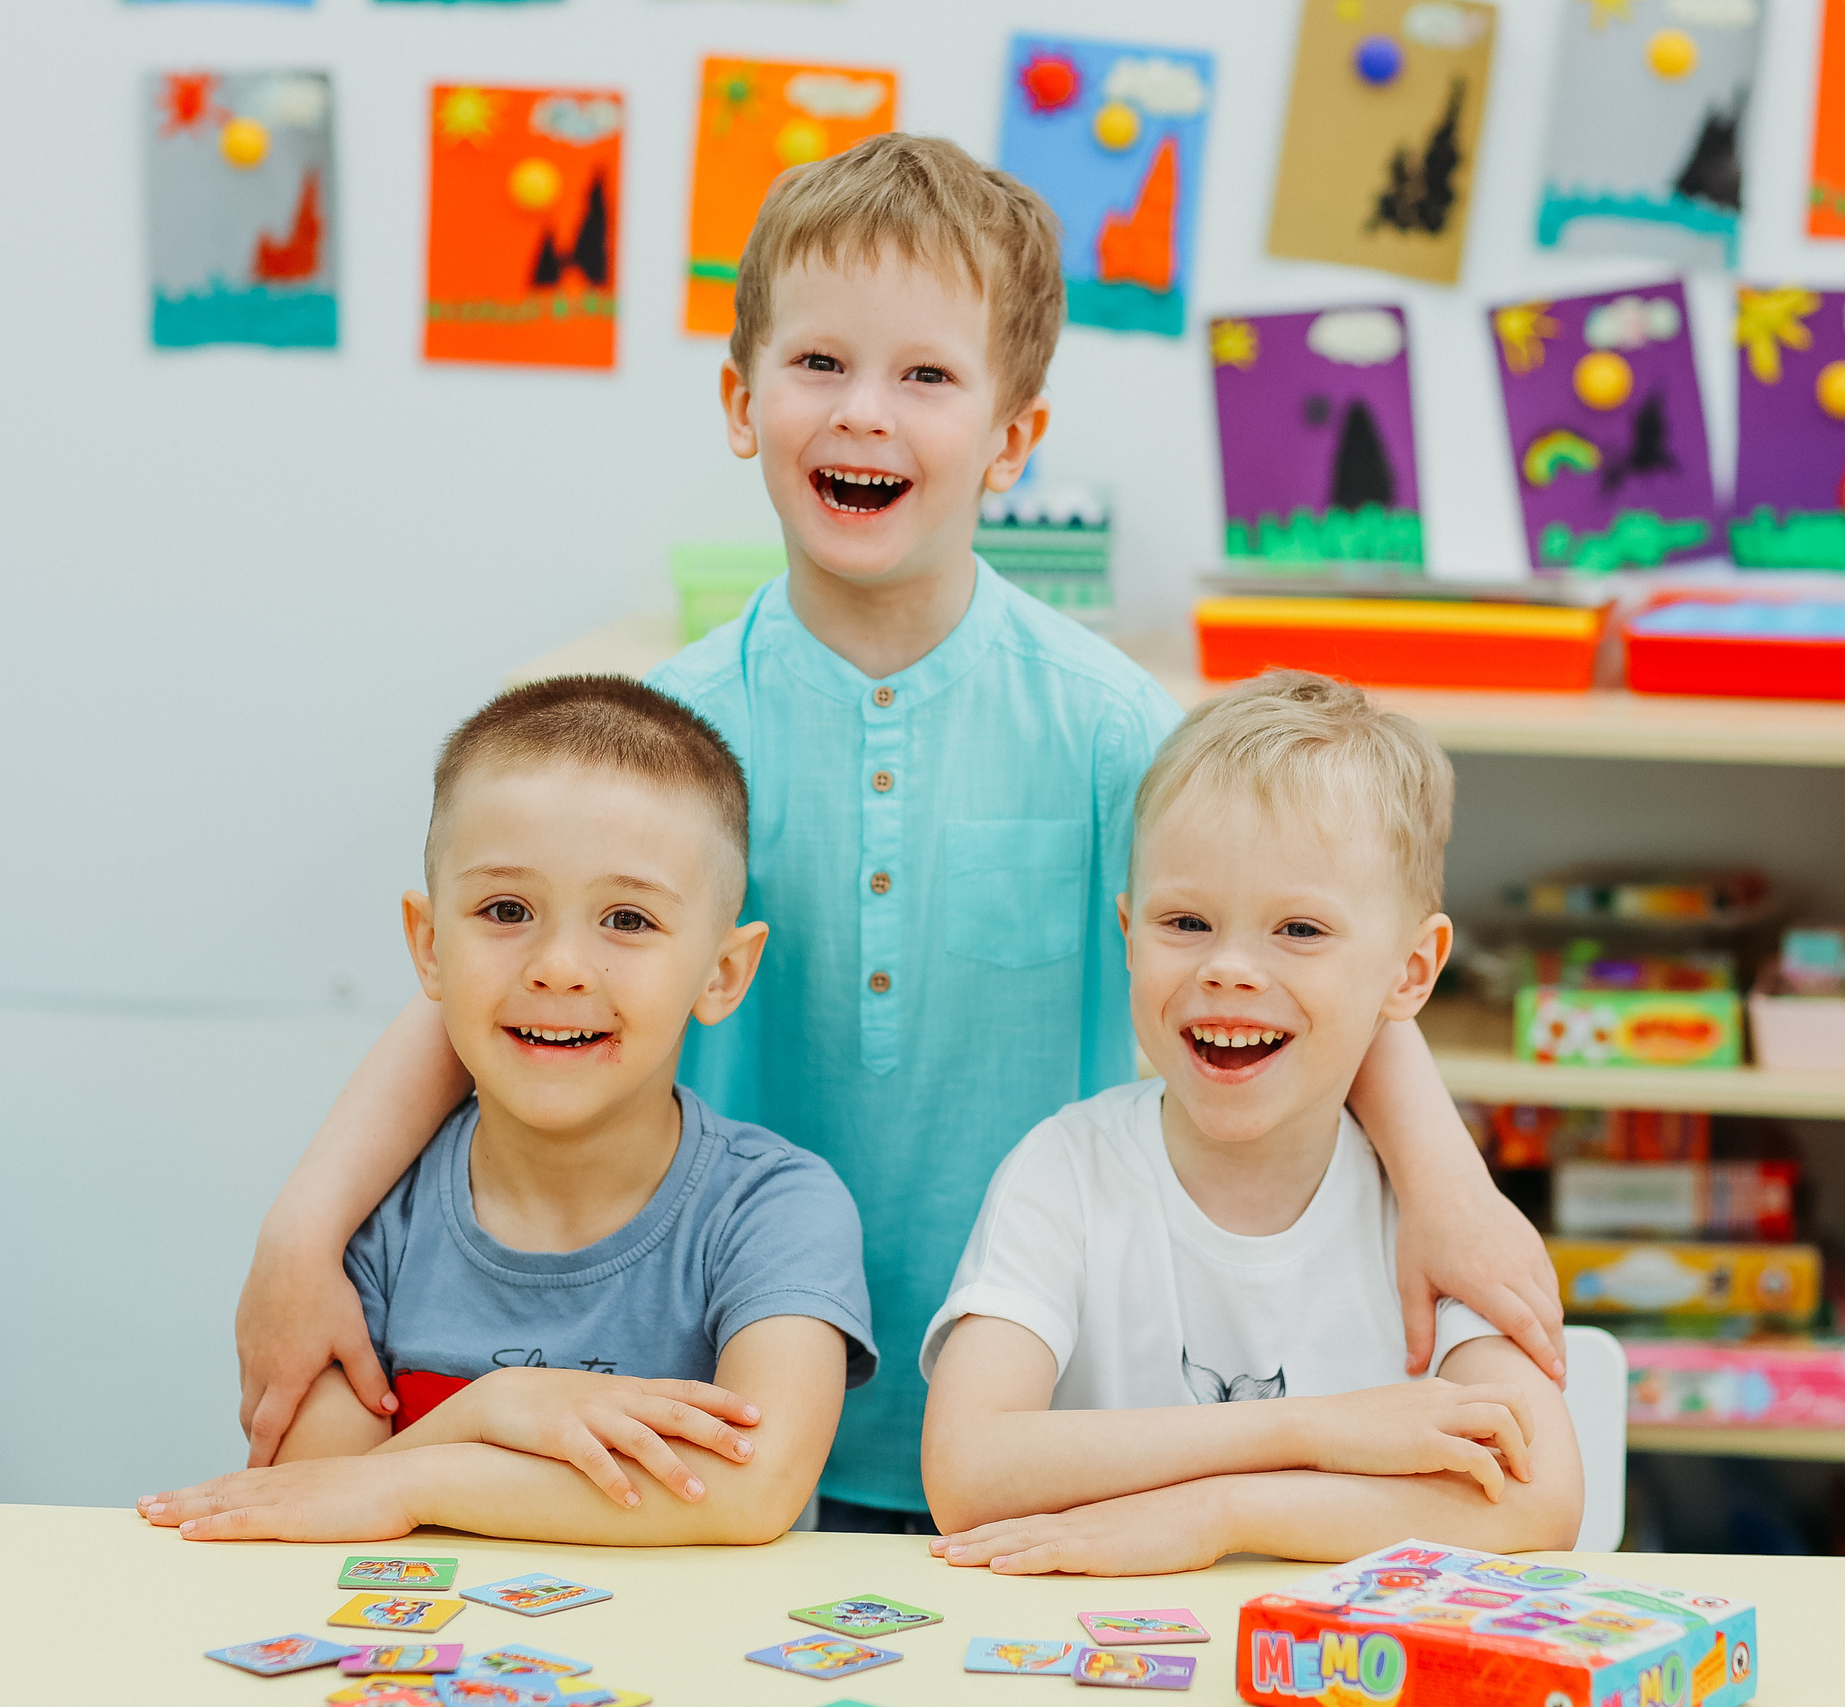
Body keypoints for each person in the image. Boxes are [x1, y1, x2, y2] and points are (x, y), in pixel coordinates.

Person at [228, 133, 1561, 1531]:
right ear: (743, 402)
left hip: (1055, 1433)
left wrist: (1450, 1188)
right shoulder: (661, 735)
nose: (865, 412)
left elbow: (1305, 960)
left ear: (1013, 437)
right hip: (715, 1409)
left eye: (926, 375)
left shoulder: (1115, 728)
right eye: (820, 364)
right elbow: (481, 982)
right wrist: (301, 1229)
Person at [137, 677, 873, 1544]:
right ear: (428, 944)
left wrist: (422, 1469)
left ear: (723, 973)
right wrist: (501, 1408)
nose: (560, 966)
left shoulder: (778, 1208)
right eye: (507, 909)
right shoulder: (373, 1215)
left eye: (627, 918)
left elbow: (752, 1490)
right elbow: (314, 1500)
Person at [919, 673, 1583, 1573]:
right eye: (1185, 920)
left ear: (1411, 969)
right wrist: (1315, 1429)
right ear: (1127, 932)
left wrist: (1225, 1514)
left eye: (1300, 929)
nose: (1230, 968)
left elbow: (1539, 1497)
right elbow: (966, 1468)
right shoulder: (1064, 1170)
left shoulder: (1432, 1212)